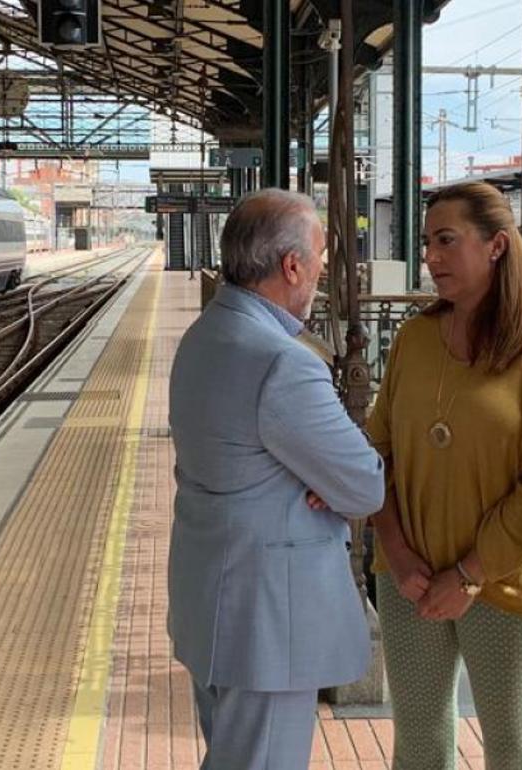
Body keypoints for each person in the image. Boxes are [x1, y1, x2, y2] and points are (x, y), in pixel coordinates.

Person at [365, 181, 522, 770]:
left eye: (446, 241)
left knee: (516, 752)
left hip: (505, 586)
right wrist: (396, 548)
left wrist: (468, 573)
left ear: (495, 245)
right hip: (408, 579)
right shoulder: (415, 337)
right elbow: (378, 448)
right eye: (426, 243)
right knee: (418, 747)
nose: (431, 258)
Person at [168, 188, 385, 770]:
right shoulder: (282, 361)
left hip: (213, 602)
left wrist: (311, 477)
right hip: (268, 622)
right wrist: (325, 480)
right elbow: (364, 486)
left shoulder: (204, 336)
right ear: (292, 266)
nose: (320, 272)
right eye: (318, 258)